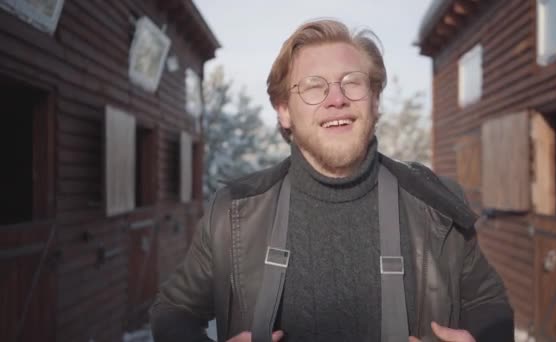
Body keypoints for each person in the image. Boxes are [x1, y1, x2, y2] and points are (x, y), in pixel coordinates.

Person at [149, 19, 513, 342]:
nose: (336, 99)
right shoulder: (233, 213)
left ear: (375, 100)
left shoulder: (437, 208)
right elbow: (172, 312)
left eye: (352, 83)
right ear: (284, 111)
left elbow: (489, 305)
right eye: (313, 86)